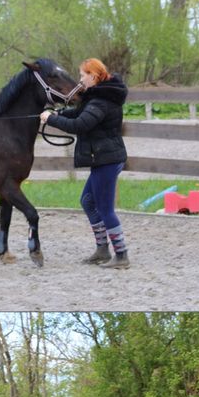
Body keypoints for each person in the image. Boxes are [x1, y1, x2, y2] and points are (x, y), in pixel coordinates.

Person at [40, 58, 130, 269]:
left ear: (94, 76)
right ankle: (102, 249)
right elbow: (79, 113)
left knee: (105, 209)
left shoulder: (101, 101)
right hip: (103, 158)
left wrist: (51, 119)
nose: (80, 80)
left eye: (83, 75)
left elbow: (81, 124)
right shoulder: (97, 97)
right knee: (88, 201)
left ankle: (122, 254)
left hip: (107, 160)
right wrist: (56, 113)